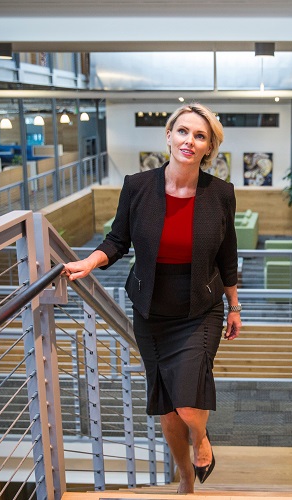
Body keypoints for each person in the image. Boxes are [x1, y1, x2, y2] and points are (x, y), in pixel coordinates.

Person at [62, 102, 241, 494]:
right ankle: (185, 477)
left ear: (209, 147)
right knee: (167, 405)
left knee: (188, 400)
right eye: (183, 132)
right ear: (168, 135)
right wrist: (90, 262)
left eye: (199, 136)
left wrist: (234, 305)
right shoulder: (138, 186)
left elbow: (228, 255)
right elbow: (117, 239)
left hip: (200, 307)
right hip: (152, 311)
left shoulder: (220, 193)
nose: (189, 141)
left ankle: (202, 439)